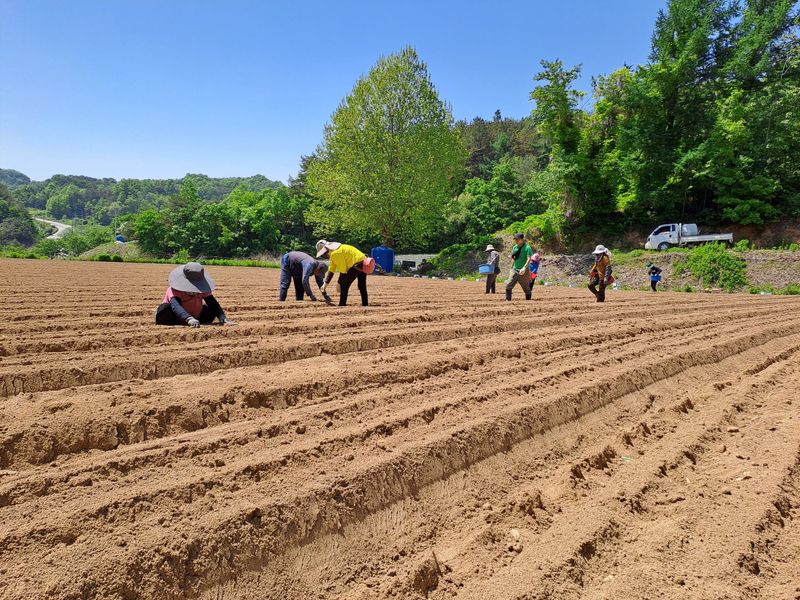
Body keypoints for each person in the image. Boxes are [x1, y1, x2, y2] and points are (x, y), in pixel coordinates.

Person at [155, 262, 235, 327]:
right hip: (174, 317)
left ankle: (195, 321)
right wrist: (188, 318)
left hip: (196, 316)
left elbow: (212, 302)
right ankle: (187, 321)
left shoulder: (202, 288)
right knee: (165, 307)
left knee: (210, 309)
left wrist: (223, 318)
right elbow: (176, 306)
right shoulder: (174, 289)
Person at [316, 240, 371, 306]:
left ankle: (342, 304)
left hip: (356, 264)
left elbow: (343, 269)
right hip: (364, 263)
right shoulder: (335, 251)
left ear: (325, 251)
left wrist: (339, 283)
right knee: (362, 285)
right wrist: (325, 284)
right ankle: (365, 304)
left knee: (344, 285)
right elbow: (332, 269)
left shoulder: (335, 253)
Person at [506, 233, 533, 302]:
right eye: (515, 239)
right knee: (509, 284)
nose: (516, 241)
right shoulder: (514, 247)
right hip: (515, 269)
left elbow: (529, 258)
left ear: (522, 239)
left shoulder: (527, 248)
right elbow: (514, 258)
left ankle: (528, 301)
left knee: (526, 287)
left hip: (524, 271)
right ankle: (507, 300)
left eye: (518, 239)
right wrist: (511, 268)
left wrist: (524, 268)